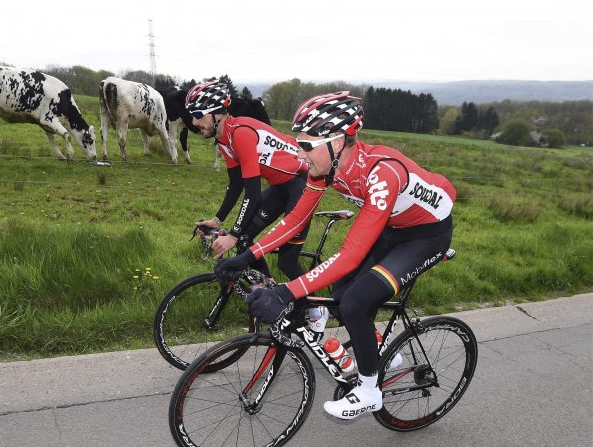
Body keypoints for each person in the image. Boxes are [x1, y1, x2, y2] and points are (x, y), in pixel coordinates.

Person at [215, 91, 456, 420]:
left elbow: (351, 254)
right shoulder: (322, 171)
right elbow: (296, 219)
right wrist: (248, 255)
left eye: (307, 145)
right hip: (393, 227)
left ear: (338, 142)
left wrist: (287, 290)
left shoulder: (381, 172)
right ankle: (381, 349)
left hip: (427, 236)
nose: (301, 152)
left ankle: (369, 391)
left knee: (356, 301)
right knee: (341, 292)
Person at [186, 81, 311, 282]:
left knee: (287, 261)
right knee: (244, 240)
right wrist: (218, 220)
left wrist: (232, 235)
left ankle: (317, 311)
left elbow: (252, 194)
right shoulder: (224, 139)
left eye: (199, 115)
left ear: (217, 114)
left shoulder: (241, 133)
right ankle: (265, 289)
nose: (193, 122)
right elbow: (236, 184)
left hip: (301, 184)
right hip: (280, 186)